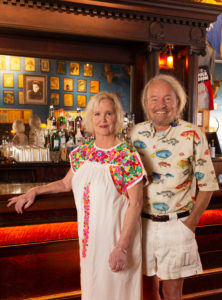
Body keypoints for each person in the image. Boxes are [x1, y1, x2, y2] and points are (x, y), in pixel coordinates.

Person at [8, 91, 147, 300]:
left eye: (108, 113)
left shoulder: (127, 155)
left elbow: (136, 204)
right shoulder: (83, 153)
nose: (103, 119)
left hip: (116, 243)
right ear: (90, 118)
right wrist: (35, 191)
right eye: (97, 114)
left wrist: (122, 248)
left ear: (117, 117)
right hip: (90, 243)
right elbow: (66, 183)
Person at [130, 74, 219, 300]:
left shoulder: (192, 134)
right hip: (141, 225)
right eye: (154, 99)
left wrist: (189, 225)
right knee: (145, 289)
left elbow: (208, 185)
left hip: (177, 225)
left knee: (172, 292)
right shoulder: (133, 134)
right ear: (146, 104)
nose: (161, 105)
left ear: (178, 102)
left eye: (168, 99)